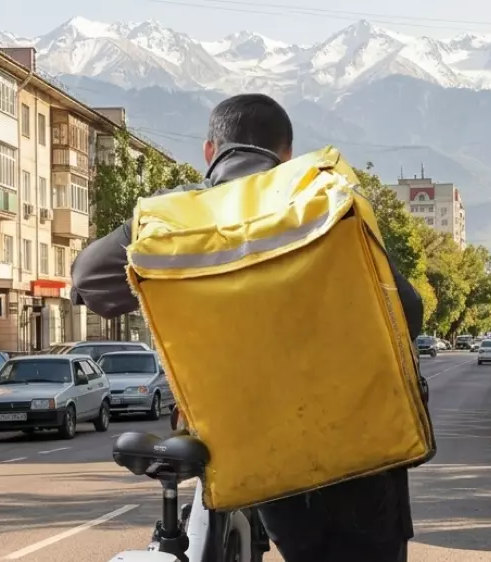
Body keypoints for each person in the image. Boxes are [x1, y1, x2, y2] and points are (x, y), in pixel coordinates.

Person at [71, 93, 423, 562]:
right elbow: (411, 312)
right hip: (362, 460)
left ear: (210, 152)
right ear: (286, 156)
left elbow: (89, 280)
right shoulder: (321, 200)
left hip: (258, 461)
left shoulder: (179, 215)